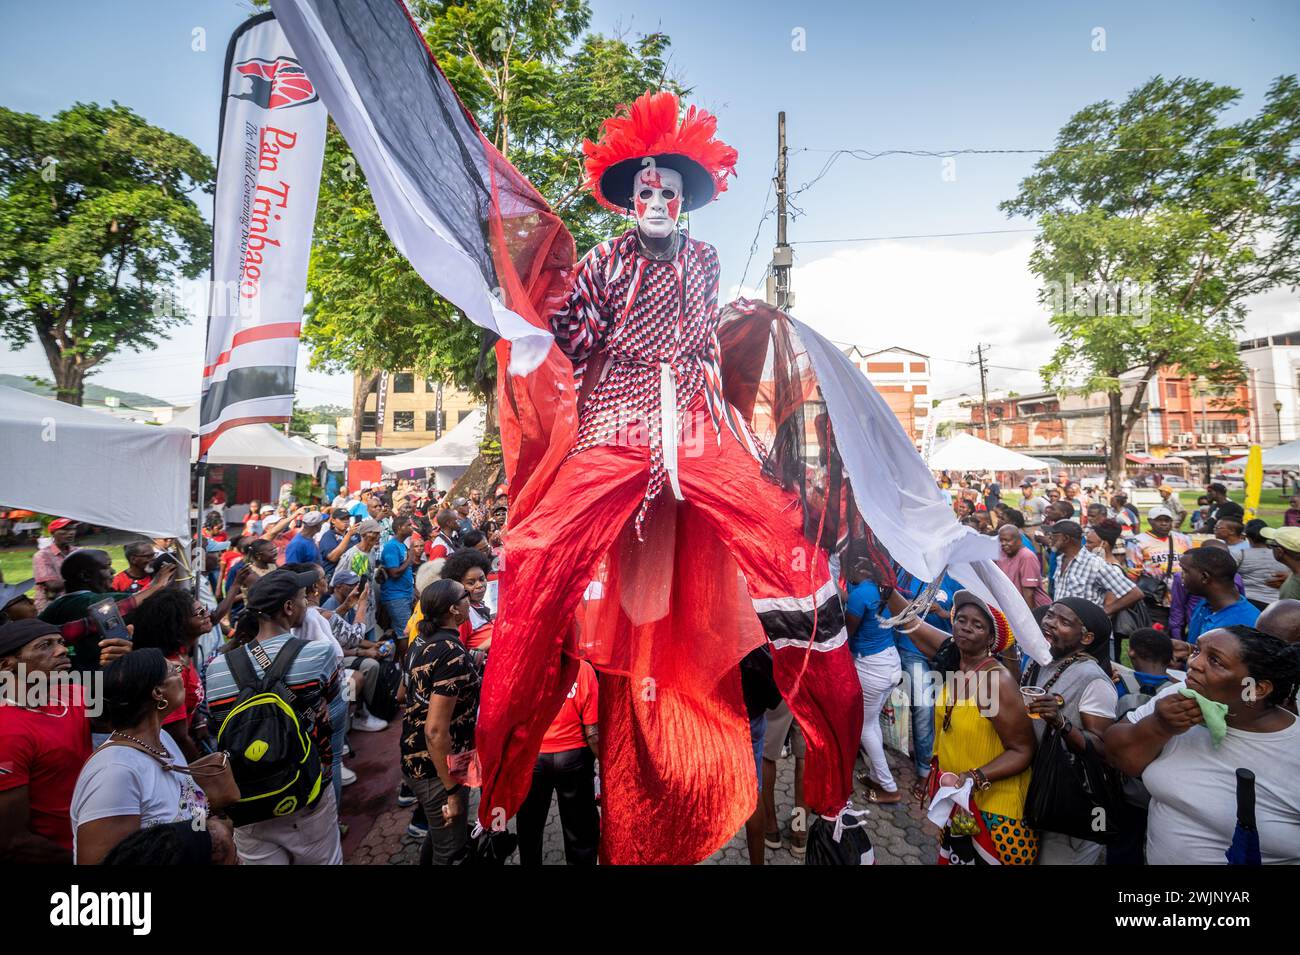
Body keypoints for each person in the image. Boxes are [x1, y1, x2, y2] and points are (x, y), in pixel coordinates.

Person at [1104, 626, 1300, 864]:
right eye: (1197, 651)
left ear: (1256, 689)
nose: (1193, 663)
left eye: (1215, 660)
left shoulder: (1292, 749)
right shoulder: (1181, 694)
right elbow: (1115, 755)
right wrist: (1158, 726)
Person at [203, 569, 343, 865]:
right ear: (289, 608)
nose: (307, 604)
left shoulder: (217, 667)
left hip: (248, 796)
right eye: (304, 599)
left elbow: (218, 724)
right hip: (306, 788)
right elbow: (330, 698)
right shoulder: (320, 652)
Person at [889, 591, 1037, 864]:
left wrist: (973, 778)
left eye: (978, 625)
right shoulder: (957, 661)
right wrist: (886, 590)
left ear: (991, 639)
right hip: (961, 802)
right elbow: (914, 626)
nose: (966, 628)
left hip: (995, 813)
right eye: (961, 620)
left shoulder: (997, 681)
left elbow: (1023, 750)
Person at [69, 649, 216, 864]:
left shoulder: (164, 740)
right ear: (157, 692)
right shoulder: (114, 772)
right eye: (173, 670)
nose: (181, 668)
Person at [1024, 598, 1119, 864]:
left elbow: (1103, 750)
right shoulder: (1043, 659)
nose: (1050, 623)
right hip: (1037, 791)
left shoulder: (1093, 679)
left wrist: (1061, 722)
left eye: (1064, 622)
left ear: (1087, 637)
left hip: (1069, 804)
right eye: (1050, 615)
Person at [401, 580, 482, 865]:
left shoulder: (420, 640)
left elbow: (402, 694)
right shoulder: (450, 652)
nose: (469, 598)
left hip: (422, 759)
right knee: (451, 849)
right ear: (454, 610)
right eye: (465, 595)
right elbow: (435, 731)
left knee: (439, 835)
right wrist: (452, 791)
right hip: (437, 767)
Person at [0, 620, 93, 863]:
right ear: (6, 665)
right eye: (45, 645)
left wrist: (125, 662)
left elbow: (131, 714)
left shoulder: (71, 693)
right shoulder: (7, 733)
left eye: (61, 642)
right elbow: (12, 841)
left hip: (94, 836)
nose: (62, 650)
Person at [516, 656, 600, 865]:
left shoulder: (525, 667)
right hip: (574, 760)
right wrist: (606, 766)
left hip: (533, 759)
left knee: (529, 826)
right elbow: (592, 733)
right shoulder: (583, 669)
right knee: (580, 831)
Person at [39, 550, 177, 672]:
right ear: (85, 576)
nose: (113, 571)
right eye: (107, 566)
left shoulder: (56, 606)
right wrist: (158, 585)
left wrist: (154, 585)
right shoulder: (95, 601)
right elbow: (134, 602)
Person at [127, 589, 216, 762]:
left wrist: (197, 720)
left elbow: (187, 699)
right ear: (178, 624)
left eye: (204, 608)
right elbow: (178, 736)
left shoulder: (183, 652)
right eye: (199, 613)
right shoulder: (171, 672)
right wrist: (201, 769)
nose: (207, 614)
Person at [843, 542, 901, 805]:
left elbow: (847, 634)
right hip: (890, 662)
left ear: (859, 566)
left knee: (864, 726)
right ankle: (879, 776)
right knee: (872, 722)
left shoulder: (861, 594)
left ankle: (889, 787)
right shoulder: (887, 590)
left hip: (871, 667)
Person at [1047, 520, 1143, 617]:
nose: (1050, 538)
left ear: (1066, 538)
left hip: (1083, 629)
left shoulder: (1095, 564)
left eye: (1053, 535)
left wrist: (1101, 614)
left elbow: (1135, 593)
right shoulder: (1060, 560)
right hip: (1060, 625)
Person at [1180, 546, 1260, 644]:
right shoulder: (1205, 605)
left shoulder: (1243, 624)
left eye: (1185, 571)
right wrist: (1188, 649)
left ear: (1204, 577)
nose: (1181, 576)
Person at [1126, 506, 1190, 612]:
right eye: (1159, 520)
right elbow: (1133, 573)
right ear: (1150, 521)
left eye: (1167, 520)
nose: (1164, 523)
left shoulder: (1183, 539)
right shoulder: (1137, 542)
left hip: (1181, 593)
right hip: (1154, 594)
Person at [380, 513, 419, 644]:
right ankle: (404, 664)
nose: (411, 527)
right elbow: (394, 573)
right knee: (405, 634)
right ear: (399, 528)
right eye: (408, 525)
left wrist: (413, 590)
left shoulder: (402, 545)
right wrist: (410, 558)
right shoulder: (391, 546)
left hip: (405, 594)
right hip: (396, 597)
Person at [1237, 519, 1288, 611]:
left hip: (1248, 601)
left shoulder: (1241, 554)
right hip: (1277, 603)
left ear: (1247, 536)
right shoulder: (1282, 555)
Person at [996, 524, 1049, 609]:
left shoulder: (1026, 556)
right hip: (1015, 605)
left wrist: (1031, 616)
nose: (1003, 544)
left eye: (1007, 540)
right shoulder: (1002, 554)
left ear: (1019, 540)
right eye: (1001, 540)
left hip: (1033, 606)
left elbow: (1029, 593)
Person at [32, 518, 77, 613]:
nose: (71, 532)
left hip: (76, 601)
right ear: (53, 533)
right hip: (52, 606)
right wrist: (80, 578)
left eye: (72, 529)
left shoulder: (78, 552)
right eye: (65, 530)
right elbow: (53, 586)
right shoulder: (42, 555)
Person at [318, 509, 360, 581]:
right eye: (342, 519)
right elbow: (333, 557)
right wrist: (348, 535)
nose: (346, 521)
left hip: (352, 576)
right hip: (334, 578)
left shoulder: (355, 535)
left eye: (347, 519)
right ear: (333, 521)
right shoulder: (329, 535)